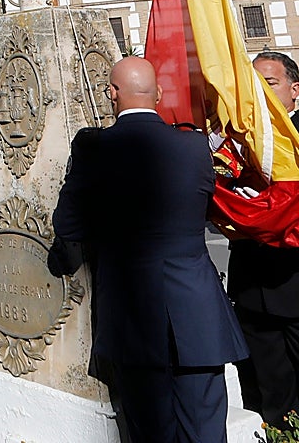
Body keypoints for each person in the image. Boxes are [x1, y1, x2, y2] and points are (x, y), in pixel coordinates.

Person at [48, 56, 247, 443]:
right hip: (198, 312)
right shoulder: (194, 146)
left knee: (150, 431)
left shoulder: (94, 148)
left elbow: (68, 226)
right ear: (157, 94)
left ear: (112, 94)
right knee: (207, 429)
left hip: (134, 316)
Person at [227, 51, 299, 427]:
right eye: (253, 85)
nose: (260, 93)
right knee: (267, 397)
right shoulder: (236, 142)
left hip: (295, 284)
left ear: (294, 89)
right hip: (253, 290)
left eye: (269, 84)